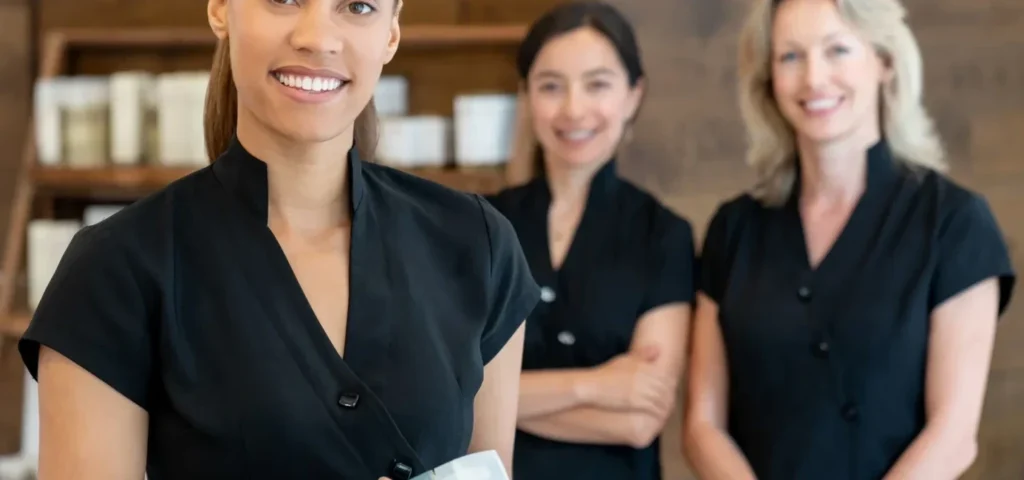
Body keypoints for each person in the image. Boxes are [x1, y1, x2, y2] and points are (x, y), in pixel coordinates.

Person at [17, 0, 540, 479]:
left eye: (358, 6)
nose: (318, 37)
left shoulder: (477, 244)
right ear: (221, 9)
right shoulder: (115, 269)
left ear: (391, 33)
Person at [682, 0, 1017, 478]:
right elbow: (701, 427)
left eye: (837, 50)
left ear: (884, 62)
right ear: (768, 79)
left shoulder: (954, 223)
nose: (813, 78)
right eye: (790, 56)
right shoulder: (733, 230)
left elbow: (953, 435)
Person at [486, 2, 695, 479]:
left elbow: (640, 422)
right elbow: (451, 390)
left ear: (633, 95)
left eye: (597, 84)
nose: (573, 109)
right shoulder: (482, 225)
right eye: (550, 86)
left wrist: (503, 397)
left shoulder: (663, 234)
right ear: (526, 95)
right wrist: (597, 386)